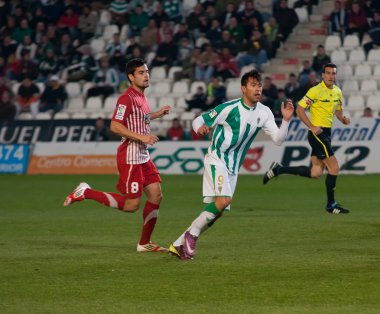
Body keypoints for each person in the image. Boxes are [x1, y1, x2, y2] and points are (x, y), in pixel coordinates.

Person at [169, 69, 294, 260]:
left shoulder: (265, 112)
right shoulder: (229, 108)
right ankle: (191, 234)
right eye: (253, 85)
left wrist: (285, 120)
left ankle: (178, 244)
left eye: (259, 85)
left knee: (217, 211)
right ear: (243, 88)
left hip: (233, 167)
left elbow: (278, 140)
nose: (258, 88)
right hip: (217, 159)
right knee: (224, 201)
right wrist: (200, 128)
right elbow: (198, 120)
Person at [63, 58, 171, 253]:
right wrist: (143, 137)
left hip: (142, 155)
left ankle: (144, 243)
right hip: (130, 155)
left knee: (156, 195)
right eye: (141, 72)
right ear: (131, 77)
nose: (146, 75)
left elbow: (140, 117)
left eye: (147, 71)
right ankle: (85, 192)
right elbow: (115, 126)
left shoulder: (141, 96)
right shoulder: (126, 98)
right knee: (131, 206)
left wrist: (156, 114)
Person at [263, 63, 351, 215]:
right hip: (317, 135)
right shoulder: (315, 90)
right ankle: (331, 205)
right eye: (328, 73)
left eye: (333, 73)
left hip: (326, 134)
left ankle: (278, 169)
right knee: (334, 168)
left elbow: (338, 112)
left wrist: (343, 119)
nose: (331, 76)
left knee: (316, 173)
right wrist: (311, 126)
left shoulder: (337, 92)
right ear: (323, 75)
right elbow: (299, 109)